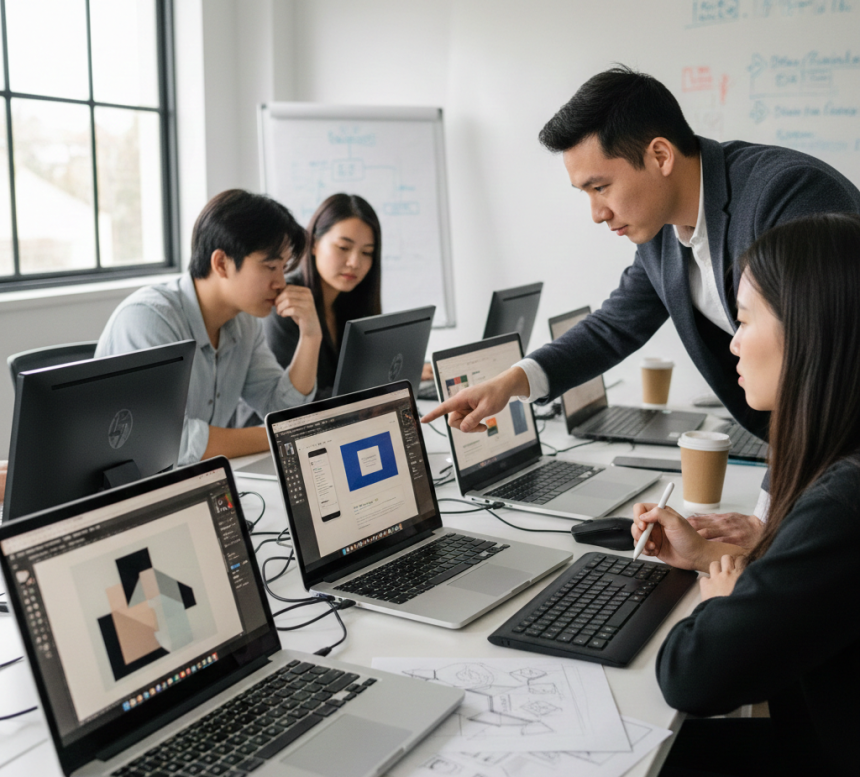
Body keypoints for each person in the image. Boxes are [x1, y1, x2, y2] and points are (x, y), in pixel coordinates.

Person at [422, 65, 860, 548]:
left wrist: (767, 519)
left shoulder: (787, 195)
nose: (596, 213)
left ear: (660, 155)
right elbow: (615, 325)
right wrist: (512, 382)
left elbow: (818, 365)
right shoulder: (661, 229)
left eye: (600, 187)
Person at [635, 213, 860, 776]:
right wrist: (712, 557)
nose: (732, 343)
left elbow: (692, 677)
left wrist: (719, 601)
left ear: (807, 333)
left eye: (743, 320)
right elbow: (814, 593)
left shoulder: (844, 502)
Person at [96, 189, 322, 465]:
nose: (281, 283)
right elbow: (168, 439)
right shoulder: (149, 318)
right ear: (221, 263)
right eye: (270, 266)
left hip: (199, 480)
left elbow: (281, 409)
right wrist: (275, 436)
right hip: (132, 486)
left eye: (283, 268)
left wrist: (311, 336)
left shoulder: (244, 323)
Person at [263, 193, 382, 399]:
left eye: (367, 252)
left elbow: (359, 380)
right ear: (314, 244)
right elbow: (289, 402)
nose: (355, 262)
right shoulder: (286, 302)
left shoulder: (351, 302)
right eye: (343, 248)